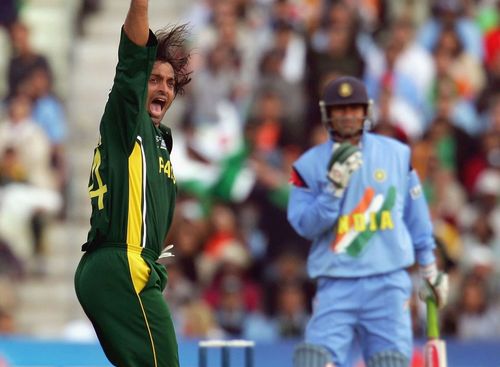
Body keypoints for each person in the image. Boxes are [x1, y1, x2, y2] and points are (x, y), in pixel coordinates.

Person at [287, 76, 449, 367]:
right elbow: (304, 225)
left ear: (366, 111)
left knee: (390, 362)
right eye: (340, 109)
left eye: (355, 108)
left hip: (387, 281)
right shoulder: (309, 165)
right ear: (328, 114)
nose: (348, 115)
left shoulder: (397, 155)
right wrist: (331, 193)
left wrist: (428, 266)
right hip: (336, 282)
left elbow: (417, 216)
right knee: (312, 361)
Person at [74, 1, 191, 366]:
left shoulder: (158, 140)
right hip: (123, 261)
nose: (163, 89)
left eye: (170, 83)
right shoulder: (128, 119)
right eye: (154, 79)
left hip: (125, 265)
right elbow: (132, 59)